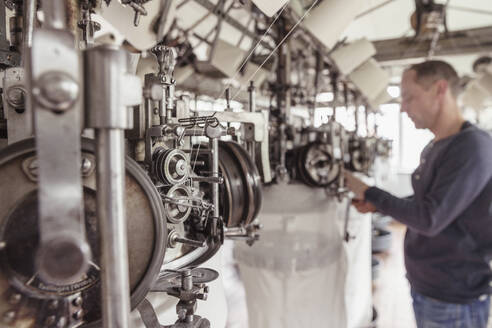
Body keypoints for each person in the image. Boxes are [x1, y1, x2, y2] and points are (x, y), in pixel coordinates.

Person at [344, 60, 492, 328]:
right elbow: (428, 202)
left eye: (409, 97)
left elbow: (429, 218)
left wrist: (369, 191)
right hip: (429, 288)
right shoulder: (436, 146)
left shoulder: (472, 147)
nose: (403, 108)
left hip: (453, 298)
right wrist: (377, 205)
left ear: (440, 90)